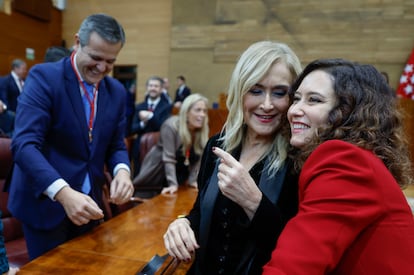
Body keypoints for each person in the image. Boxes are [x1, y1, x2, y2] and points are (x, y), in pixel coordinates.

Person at [263, 59, 414, 274]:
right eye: (296, 99)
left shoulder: (343, 159)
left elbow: (293, 267)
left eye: (313, 100)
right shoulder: (360, 157)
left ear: (346, 111)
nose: (295, 110)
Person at [163, 41, 302, 274]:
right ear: (240, 92)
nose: (267, 105)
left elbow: (298, 248)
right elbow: (202, 212)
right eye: (256, 91)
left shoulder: (299, 159)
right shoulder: (217, 146)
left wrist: (253, 202)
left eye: (279, 93)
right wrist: (183, 223)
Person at [7, 13, 134, 260]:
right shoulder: (44, 77)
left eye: (110, 62)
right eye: (95, 57)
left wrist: (122, 171)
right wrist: (64, 193)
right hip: (46, 204)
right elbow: (24, 145)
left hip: (89, 204)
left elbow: (116, 144)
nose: (101, 68)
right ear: (77, 42)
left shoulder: (116, 91)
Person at [133, 93, 209, 196]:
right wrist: (173, 184)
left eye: (204, 111)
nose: (202, 114)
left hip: (179, 179)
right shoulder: (171, 126)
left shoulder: (201, 131)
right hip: (157, 176)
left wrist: (192, 181)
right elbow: (168, 158)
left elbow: (199, 158)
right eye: (198, 110)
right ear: (186, 112)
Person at [130, 76, 172, 176]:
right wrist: (142, 124)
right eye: (150, 85)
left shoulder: (167, 107)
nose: (153, 88)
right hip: (140, 148)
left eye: (156, 86)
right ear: (147, 88)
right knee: (138, 176)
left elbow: (163, 126)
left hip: (158, 147)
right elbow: (132, 128)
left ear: (161, 89)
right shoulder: (139, 106)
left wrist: (150, 116)